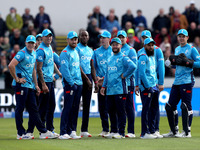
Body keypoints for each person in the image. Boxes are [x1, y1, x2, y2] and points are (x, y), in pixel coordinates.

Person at [8, 35, 57, 139]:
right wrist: (17, 79)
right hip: (21, 85)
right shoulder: (22, 53)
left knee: (34, 109)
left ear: (35, 44)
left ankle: (43, 132)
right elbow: (11, 65)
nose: (30, 44)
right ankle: (20, 132)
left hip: (30, 85)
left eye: (32, 43)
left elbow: (34, 70)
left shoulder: (34, 53)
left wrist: (36, 85)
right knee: (20, 108)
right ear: (25, 43)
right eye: (29, 43)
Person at [164, 29, 200, 138]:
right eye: (180, 36)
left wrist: (189, 63)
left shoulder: (192, 49)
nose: (181, 38)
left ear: (187, 38)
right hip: (177, 81)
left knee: (185, 106)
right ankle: (174, 131)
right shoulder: (177, 48)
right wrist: (170, 64)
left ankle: (186, 132)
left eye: (183, 36)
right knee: (169, 106)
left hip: (187, 80)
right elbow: (178, 64)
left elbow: (199, 63)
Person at [100, 37, 136, 139]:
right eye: (113, 44)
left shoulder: (123, 57)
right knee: (111, 110)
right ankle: (113, 130)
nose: (115, 46)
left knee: (121, 111)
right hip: (110, 90)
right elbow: (107, 74)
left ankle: (121, 132)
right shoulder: (110, 58)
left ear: (120, 46)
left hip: (120, 89)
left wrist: (125, 75)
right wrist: (103, 86)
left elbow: (133, 66)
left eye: (117, 44)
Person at [137, 30, 165, 137]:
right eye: (149, 44)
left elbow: (158, 68)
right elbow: (140, 72)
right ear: (144, 43)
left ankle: (153, 130)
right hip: (147, 86)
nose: (151, 46)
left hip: (154, 84)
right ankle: (145, 132)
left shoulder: (154, 52)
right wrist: (140, 84)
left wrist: (159, 83)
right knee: (147, 108)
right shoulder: (143, 54)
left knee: (153, 108)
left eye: (152, 44)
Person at [36, 29, 61, 137]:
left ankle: (50, 129)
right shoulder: (41, 50)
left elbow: (52, 63)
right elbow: (38, 69)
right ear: (43, 37)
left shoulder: (49, 47)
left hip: (50, 81)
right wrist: (43, 84)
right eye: (47, 36)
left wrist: (58, 73)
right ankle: (42, 131)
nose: (49, 38)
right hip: (44, 81)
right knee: (43, 107)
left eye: (50, 36)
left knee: (52, 105)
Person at [59, 31, 83, 139]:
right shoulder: (65, 52)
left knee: (75, 108)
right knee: (67, 107)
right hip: (70, 84)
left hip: (78, 83)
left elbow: (77, 68)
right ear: (67, 40)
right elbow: (65, 70)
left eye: (75, 39)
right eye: (72, 39)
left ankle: (72, 130)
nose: (74, 41)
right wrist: (71, 82)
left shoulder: (76, 51)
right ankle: (63, 132)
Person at [76, 30, 97, 137]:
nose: (84, 37)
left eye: (86, 35)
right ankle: (72, 129)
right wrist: (87, 79)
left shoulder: (90, 50)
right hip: (79, 77)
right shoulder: (77, 48)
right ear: (79, 37)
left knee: (87, 104)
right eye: (82, 35)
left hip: (89, 77)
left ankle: (84, 129)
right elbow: (78, 66)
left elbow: (92, 66)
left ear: (88, 37)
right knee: (75, 105)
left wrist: (95, 81)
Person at [91, 31, 112, 137]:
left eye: (104, 38)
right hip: (101, 84)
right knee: (102, 107)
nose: (102, 39)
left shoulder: (114, 50)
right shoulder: (96, 52)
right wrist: (96, 80)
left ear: (109, 38)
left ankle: (114, 129)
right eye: (101, 38)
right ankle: (105, 129)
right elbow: (93, 68)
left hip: (112, 84)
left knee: (113, 108)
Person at [117, 30, 137, 138]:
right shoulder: (114, 50)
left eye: (122, 37)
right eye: (119, 37)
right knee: (119, 108)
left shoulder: (131, 50)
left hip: (128, 83)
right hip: (117, 84)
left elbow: (134, 67)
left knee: (129, 107)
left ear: (126, 38)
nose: (121, 39)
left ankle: (131, 131)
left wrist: (124, 75)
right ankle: (120, 131)